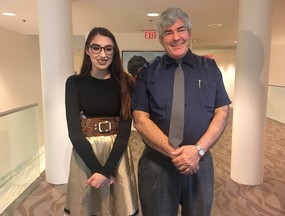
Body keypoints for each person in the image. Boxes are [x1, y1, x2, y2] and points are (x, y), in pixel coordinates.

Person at [131, 7, 231, 216]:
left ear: (190, 33)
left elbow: (221, 111)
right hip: (157, 164)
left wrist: (198, 151)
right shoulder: (148, 72)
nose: (176, 37)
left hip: (199, 164)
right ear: (160, 39)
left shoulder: (210, 68)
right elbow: (140, 119)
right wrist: (175, 153)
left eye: (181, 30)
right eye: (168, 32)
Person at [64, 27, 138, 216]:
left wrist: (107, 171)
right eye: (96, 48)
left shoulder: (124, 83)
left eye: (108, 49)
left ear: (114, 51)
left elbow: (124, 130)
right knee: (87, 208)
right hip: (86, 155)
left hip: (116, 154)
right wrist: (98, 170)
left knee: (119, 207)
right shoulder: (74, 83)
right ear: (88, 50)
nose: (103, 54)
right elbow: (74, 131)